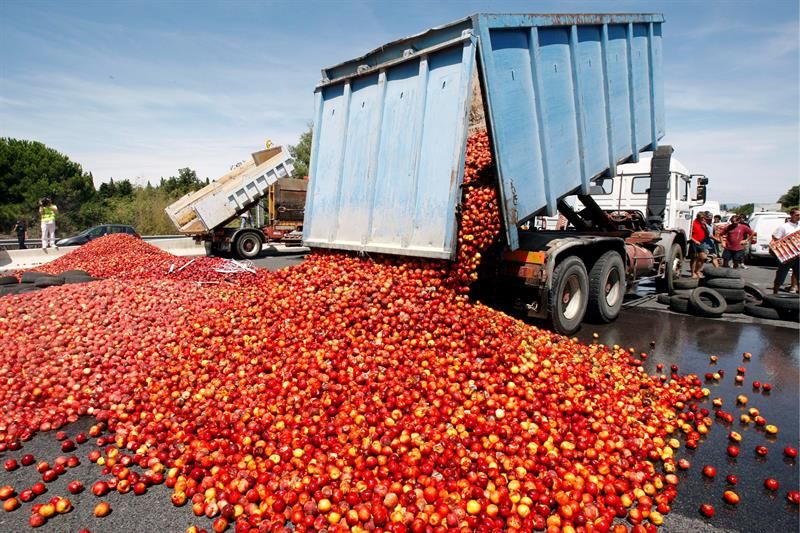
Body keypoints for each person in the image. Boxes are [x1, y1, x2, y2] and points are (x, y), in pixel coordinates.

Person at [772, 208, 800, 294]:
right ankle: (775, 293)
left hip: (798, 255)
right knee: (781, 275)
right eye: (797, 215)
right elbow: (775, 238)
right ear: (791, 215)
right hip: (787, 256)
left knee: (799, 276)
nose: (799, 216)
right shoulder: (784, 226)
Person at [690, 211, 710, 278]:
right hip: (694, 242)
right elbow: (689, 235)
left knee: (703, 257)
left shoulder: (703, 224)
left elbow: (708, 234)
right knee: (694, 258)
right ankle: (693, 273)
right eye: (702, 218)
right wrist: (695, 241)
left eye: (704, 218)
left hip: (701, 242)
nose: (703, 219)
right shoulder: (693, 223)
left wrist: (705, 226)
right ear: (698, 217)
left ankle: (697, 270)